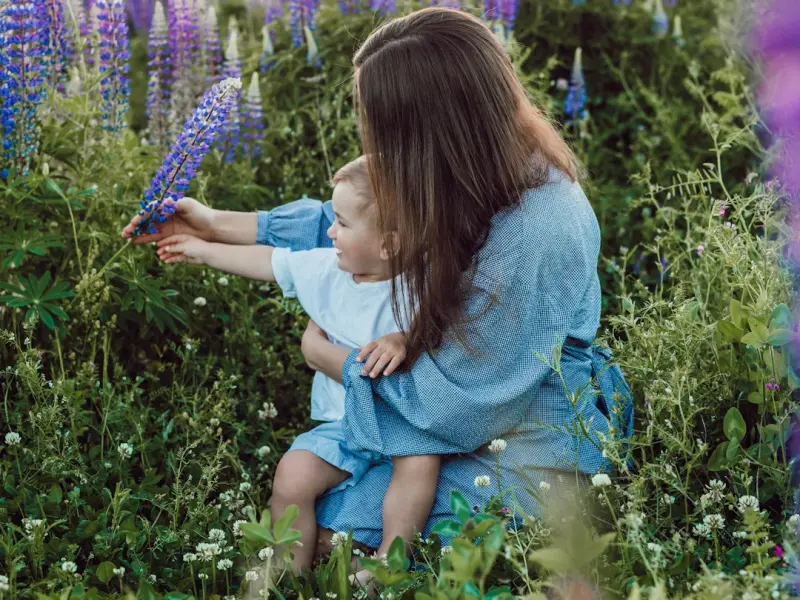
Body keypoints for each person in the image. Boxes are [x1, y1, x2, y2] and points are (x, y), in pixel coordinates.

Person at [123, 6, 632, 562]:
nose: (373, 144)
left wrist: (329, 358)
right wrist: (215, 222)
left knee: (338, 535)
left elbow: (461, 407)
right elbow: (368, 223)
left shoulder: (535, 229)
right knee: (315, 507)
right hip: (450, 404)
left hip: (522, 431)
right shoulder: (478, 168)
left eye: (382, 127)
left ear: (433, 130)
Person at [141, 156, 441, 575]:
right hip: (345, 425)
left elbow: (449, 328)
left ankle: (389, 562)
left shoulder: (425, 283)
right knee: (293, 474)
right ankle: (286, 572)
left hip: (402, 422)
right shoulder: (328, 271)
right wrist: (201, 250)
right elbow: (270, 262)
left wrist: (404, 339)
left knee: (422, 463)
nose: (329, 231)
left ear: (388, 244)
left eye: (341, 223)